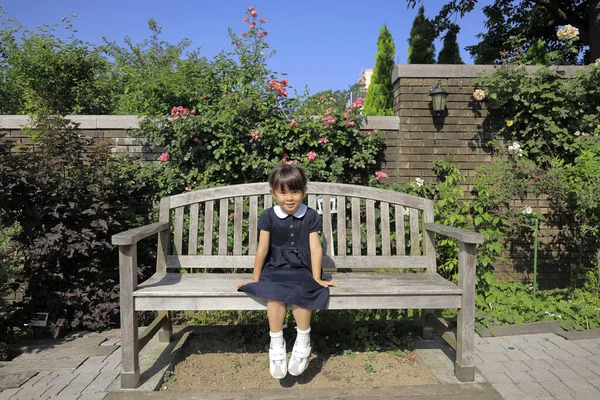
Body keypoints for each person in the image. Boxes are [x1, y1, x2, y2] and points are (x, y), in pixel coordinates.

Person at [236, 164, 338, 379]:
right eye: (283, 192)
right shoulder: (268, 216)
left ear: (304, 191)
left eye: (295, 191)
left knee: (305, 289)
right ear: (272, 192)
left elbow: (315, 247)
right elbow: (263, 249)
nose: (289, 198)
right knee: (274, 293)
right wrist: (255, 279)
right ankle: (276, 343)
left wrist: (317, 276)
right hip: (275, 268)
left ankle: (303, 340)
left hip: (302, 268)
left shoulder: (310, 216)